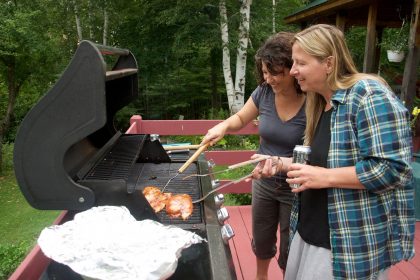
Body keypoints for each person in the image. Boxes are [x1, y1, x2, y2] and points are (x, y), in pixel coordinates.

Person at [252, 24, 415, 280]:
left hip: (346, 243)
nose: (292, 71)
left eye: (300, 63)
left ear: (329, 63)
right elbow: (321, 162)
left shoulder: (369, 95)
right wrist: (280, 163)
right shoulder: (320, 103)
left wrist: (323, 177)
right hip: (309, 231)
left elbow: (393, 170)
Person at [201, 32, 306, 279]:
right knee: (261, 238)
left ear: (292, 69)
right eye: (265, 72)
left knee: (291, 246)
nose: (269, 79)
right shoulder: (263, 92)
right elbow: (240, 118)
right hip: (264, 181)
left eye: (275, 72)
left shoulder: (312, 99)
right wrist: (223, 126)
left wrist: (282, 165)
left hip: (297, 184)